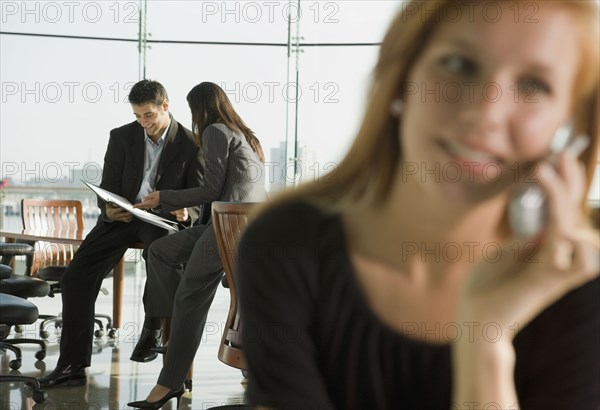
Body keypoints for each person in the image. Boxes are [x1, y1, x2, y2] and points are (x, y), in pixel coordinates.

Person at [237, 1, 600, 408]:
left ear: (570, 130)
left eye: (534, 85)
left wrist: (485, 340)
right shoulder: (287, 245)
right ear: (400, 78)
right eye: (460, 65)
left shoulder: (574, 285)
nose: (485, 113)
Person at [39, 79, 203, 388]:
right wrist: (108, 208)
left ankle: (153, 329)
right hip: (123, 217)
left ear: (165, 106)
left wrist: (187, 211)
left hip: (161, 219)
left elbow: (198, 195)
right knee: (76, 277)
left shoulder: (192, 144)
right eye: (138, 116)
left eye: (149, 115)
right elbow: (109, 186)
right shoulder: (122, 136)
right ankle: (72, 365)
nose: (144, 123)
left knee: (163, 259)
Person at [126, 82, 266, 409]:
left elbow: (210, 189)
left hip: (229, 226)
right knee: (159, 251)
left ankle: (168, 383)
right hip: (241, 226)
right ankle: (164, 318)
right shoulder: (245, 134)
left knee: (190, 296)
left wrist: (165, 197)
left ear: (199, 108)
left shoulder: (216, 131)